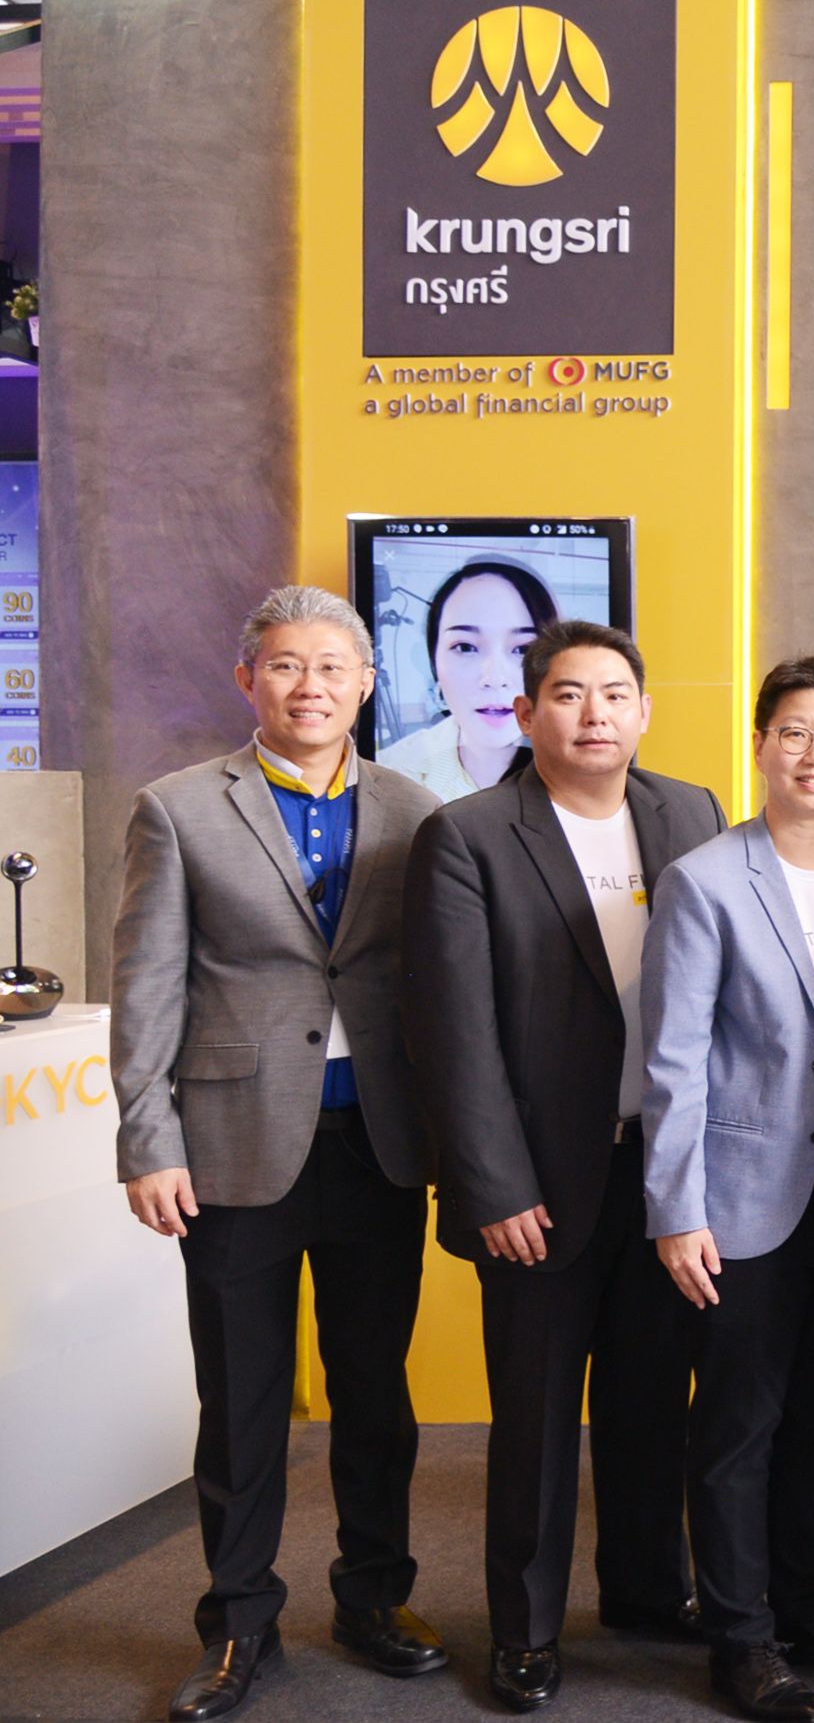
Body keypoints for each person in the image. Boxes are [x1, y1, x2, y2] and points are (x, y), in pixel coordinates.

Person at [111, 586, 448, 1722]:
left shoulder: (417, 809)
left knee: (374, 1394)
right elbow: (146, 986)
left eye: (333, 668)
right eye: (288, 666)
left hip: (379, 1145)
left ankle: (375, 1596)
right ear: (248, 678)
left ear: (366, 683)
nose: (312, 687)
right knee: (244, 1398)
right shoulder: (177, 808)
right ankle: (239, 1624)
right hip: (230, 1147)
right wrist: (147, 1139)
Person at [403, 619, 726, 1711]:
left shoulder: (691, 813)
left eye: (615, 694)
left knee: (652, 1399)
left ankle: (646, 1591)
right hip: (538, 1184)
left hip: (663, 1174)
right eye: (570, 695)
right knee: (538, 1421)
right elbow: (453, 1032)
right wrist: (493, 1183)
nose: (595, 714)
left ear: (644, 711)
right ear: (527, 711)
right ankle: (527, 1628)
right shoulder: (468, 835)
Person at [640, 657, 814, 1722]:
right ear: (761, 743)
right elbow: (672, 1059)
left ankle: (807, 1604)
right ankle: (741, 1637)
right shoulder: (707, 878)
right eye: (797, 733)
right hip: (743, 1198)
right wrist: (677, 1209)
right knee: (737, 1426)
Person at [376, 559, 559, 800]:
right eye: (465, 647)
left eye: (523, 649)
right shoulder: (391, 772)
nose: (494, 678)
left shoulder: (586, 768)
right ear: (434, 662)